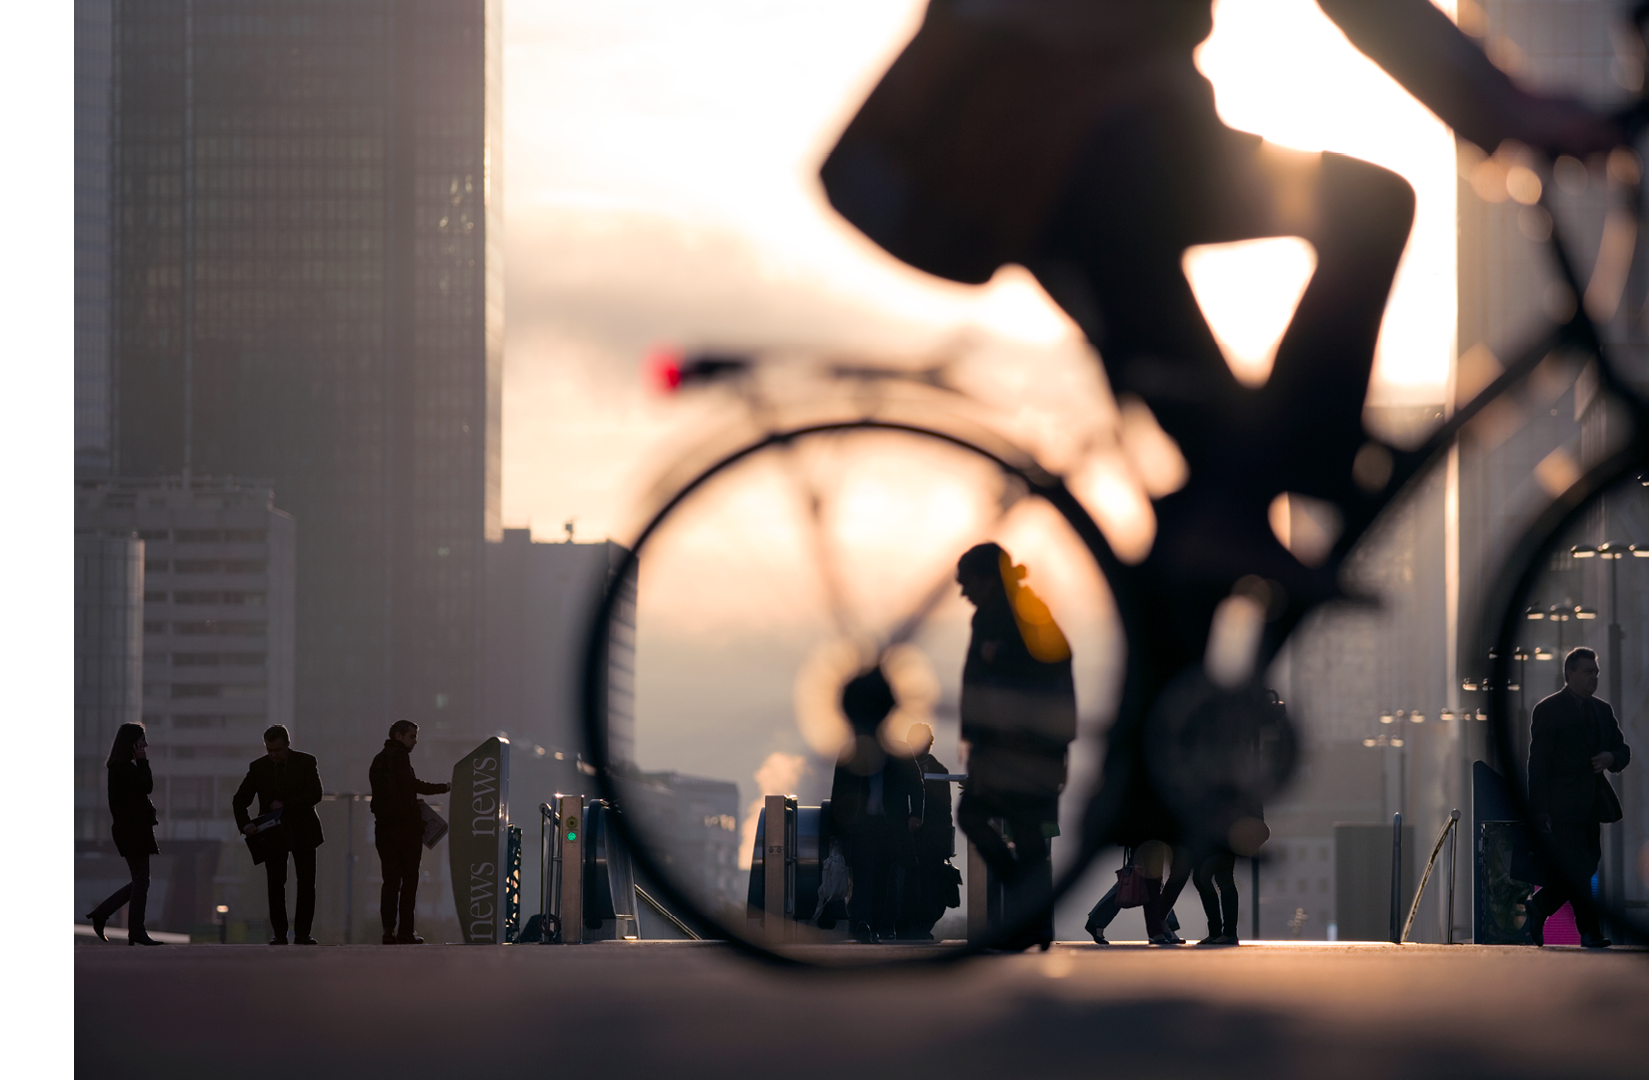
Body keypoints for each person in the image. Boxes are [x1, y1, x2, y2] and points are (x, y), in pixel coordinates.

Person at [822, 1, 1626, 863]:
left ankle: (1151, 797)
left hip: (1068, 157)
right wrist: (1508, 111)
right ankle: (1300, 480)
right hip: (1078, 147)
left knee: (1215, 482)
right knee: (1366, 209)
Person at [955, 542, 1077, 950]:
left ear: (988, 579)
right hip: (1002, 746)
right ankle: (1032, 917)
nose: (963, 592)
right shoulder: (990, 616)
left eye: (967, 582)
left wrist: (1003, 655)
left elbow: (1058, 659)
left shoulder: (1025, 612)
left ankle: (1031, 921)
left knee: (1005, 827)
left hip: (1027, 747)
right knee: (1020, 835)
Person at [1526, 647, 1631, 949]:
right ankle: (1590, 932)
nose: (1593, 678)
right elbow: (1538, 763)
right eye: (1587, 672)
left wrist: (1611, 757)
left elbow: (1622, 749)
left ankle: (1540, 905)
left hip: (1591, 806)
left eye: (1596, 672)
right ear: (1569, 674)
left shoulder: (1602, 710)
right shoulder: (1549, 709)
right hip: (1561, 808)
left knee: (1586, 865)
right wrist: (1539, 809)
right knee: (1580, 868)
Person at [830, 669, 925, 943]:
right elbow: (839, 792)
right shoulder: (851, 752)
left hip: (890, 825)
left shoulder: (899, 751)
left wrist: (915, 814)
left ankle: (882, 925)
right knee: (864, 876)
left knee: (885, 878)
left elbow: (916, 785)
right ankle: (862, 924)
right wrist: (837, 829)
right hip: (863, 825)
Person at [233, 724, 325, 945]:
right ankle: (280, 934)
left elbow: (315, 794)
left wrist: (285, 805)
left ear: (287, 745)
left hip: (303, 829)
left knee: (306, 883)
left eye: (277, 750)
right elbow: (239, 800)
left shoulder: (306, 762)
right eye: (269, 750)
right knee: (276, 884)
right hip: (272, 834)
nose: (273, 755)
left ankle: (302, 933)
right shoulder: (258, 768)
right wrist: (245, 824)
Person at [370, 720, 451, 944]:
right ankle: (405, 932)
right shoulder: (400, 757)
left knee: (390, 882)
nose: (415, 741)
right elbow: (413, 784)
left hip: (384, 828)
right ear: (399, 736)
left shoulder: (378, 760)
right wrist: (444, 787)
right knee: (409, 880)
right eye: (411, 737)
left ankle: (387, 930)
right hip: (405, 830)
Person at [85, 723, 164, 945]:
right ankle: (135, 930)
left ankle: (103, 914)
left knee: (141, 880)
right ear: (132, 743)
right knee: (141, 881)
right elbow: (147, 785)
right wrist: (142, 761)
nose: (145, 745)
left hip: (131, 831)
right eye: (142, 741)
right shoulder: (124, 768)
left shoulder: (120, 767)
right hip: (133, 832)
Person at [901, 721, 960, 940]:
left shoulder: (905, 768)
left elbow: (945, 812)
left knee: (915, 883)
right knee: (923, 884)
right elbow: (946, 812)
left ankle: (913, 927)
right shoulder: (939, 771)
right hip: (927, 840)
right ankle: (917, 927)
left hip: (919, 839)